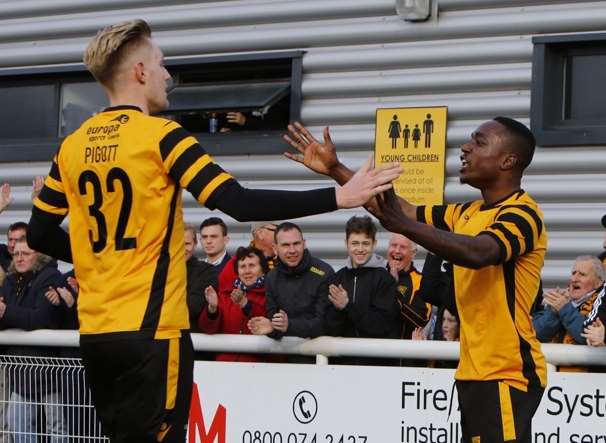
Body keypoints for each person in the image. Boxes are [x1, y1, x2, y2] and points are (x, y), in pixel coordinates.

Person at [25, 19, 400, 443]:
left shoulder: (71, 145)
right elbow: (238, 202)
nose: (168, 75)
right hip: (154, 334)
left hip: (95, 334)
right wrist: (337, 196)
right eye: (162, 64)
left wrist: (100, 259)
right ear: (141, 72)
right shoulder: (161, 136)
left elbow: (39, 232)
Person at [284, 117, 547, 442]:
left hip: (507, 374)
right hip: (477, 372)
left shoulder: (523, 214)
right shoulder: (467, 212)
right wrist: (337, 169)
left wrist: (403, 225)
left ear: (508, 160)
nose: (465, 147)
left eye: (479, 142)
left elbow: (480, 252)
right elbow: (403, 212)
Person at [0, 238, 66, 443]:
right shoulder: (10, 280)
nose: (19, 258)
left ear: (38, 255)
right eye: (16, 254)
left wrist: (7, 312)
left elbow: (41, 318)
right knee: (16, 422)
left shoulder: (51, 276)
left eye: (25, 253)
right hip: (21, 371)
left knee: (57, 428)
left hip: (50, 370)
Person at [323, 216, 400, 365]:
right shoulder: (335, 279)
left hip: (378, 367)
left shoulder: (385, 280)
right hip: (342, 366)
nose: (360, 249)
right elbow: (328, 329)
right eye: (355, 243)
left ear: (374, 244)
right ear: (346, 244)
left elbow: (380, 326)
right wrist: (338, 310)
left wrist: (347, 306)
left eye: (365, 243)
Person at [248, 222, 333, 346]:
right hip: (284, 358)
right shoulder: (272, 277)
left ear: (304, 244)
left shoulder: (324, 272)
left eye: (296, 244)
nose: (292, 250)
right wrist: (271, 329)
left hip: (319, 358)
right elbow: (275, 323)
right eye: (285, 245)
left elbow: (325, 324)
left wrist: (288, 325)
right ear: (275, 248)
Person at [198, 246, 268, 362]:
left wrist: (246, 305)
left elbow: (267, 325)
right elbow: (208, 329)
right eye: (242, 266)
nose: (247, 271)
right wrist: (212, 309)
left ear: (262, 269)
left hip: (258, 367)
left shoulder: (271, 294)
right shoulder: (225, 296)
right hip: (224, 365)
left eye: (252, 266)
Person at [533, 256, 605, 345]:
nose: (574, 279)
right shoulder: (563, 299)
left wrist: (564, 308)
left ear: (598, 282)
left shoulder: (602, 302)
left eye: (582, 274)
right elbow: (535, 333)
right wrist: (554, 312)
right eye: (573, 273)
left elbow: (586, 334)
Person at [386, 233, 429, 339]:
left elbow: (421, 320)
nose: (397, 250)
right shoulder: (376, 274)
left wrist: (394, 288)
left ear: (413, 253)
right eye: (394, 245)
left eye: (403, 247)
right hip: (372, 349)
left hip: (402, 352)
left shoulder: (421, 281)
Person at [184, 225, 217, 332]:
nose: (182, 248)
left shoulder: (207, 271)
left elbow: (194, 307)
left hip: (193, 340)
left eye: (187, 244)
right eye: (176, 244)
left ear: (195, 244)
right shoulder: (157, 270)